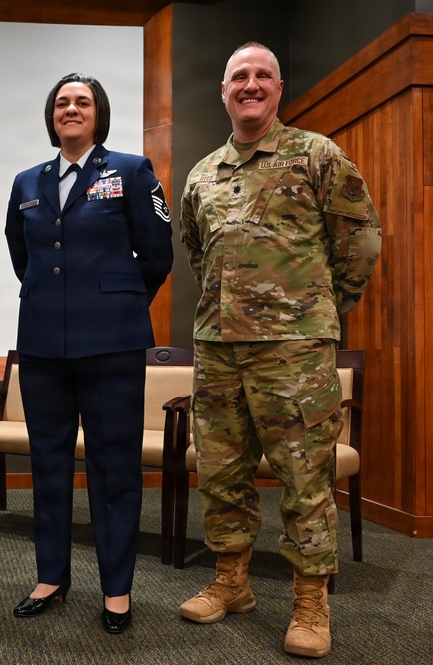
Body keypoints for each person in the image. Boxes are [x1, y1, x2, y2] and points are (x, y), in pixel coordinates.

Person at [178, 42, 381, 658]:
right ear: (223, 90)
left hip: (294, 353)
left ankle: (309, 602)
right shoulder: (201, 173)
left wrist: (315, 311)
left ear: (278, 87)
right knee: (220, 472)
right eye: (238, 75)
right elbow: (196, 250)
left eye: (261, 75)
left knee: (304, 477)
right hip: (217, 348)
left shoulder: (318, 155)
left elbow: (362, 243)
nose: (250, 84)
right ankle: (231, 581)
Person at [4, 73, 173, 633]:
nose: (71, 109)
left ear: (98, 113)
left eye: (81, 102)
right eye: (61, 103)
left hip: (113, 345)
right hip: (44, 346)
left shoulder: (130, 170)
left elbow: (156, 254)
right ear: (50, 116)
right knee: (48, 465)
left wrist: (117, 304)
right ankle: (51, 575)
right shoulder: (27, 181)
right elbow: (20, 255)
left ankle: (117, 589)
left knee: (114, 468)